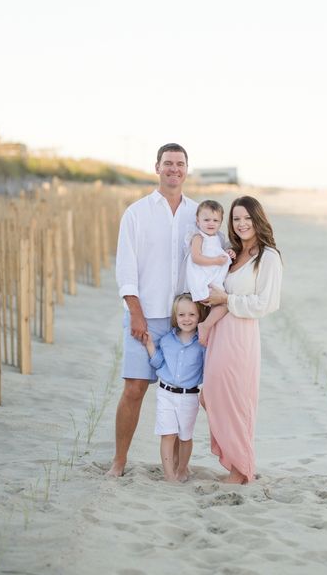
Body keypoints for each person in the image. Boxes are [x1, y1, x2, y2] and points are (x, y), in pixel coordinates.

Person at [107, 143, 198, 477]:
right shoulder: (137, 213)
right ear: (157, 167)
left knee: (180, 394)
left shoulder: (197, 213)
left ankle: (173, 466)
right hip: (146, 316)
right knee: (134, 389)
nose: (174, 169)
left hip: (186, 322)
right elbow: (126, 268)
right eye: (168, 163)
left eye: (180, 164)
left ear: (187, 169)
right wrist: (135, 311)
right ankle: (119, 461)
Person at [200, 196, 283, 484]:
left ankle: (241, 468)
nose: (242, 223)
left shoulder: (268, 257)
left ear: (257, 219)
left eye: (247, 218)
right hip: (219, 332)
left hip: (241, 335)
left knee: (236, 399)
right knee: (211, 394)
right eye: (236, 219)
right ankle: (234, 461)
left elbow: (267, 303)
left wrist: (227, 299)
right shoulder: (232, 253)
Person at [143, 293, 206, 482]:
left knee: (185, 437)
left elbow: (207, 369)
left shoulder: (202, 343)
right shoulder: (167, 340)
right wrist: (149, 345)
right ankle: (169, 475)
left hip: (189, 396)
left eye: (192, 315)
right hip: (165, 393)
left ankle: (182, 469)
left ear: (199, 316)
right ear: (175, 317)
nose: (186, 319)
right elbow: (159, 363)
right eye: (181, 315)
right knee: (167, 434)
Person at [184, 199, 233, 345]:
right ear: (198, 221)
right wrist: (216, 261)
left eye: (215, 220)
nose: (211, 223)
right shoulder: (198, 237)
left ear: (220, 222)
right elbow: (196, 257)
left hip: (212, 276)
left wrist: (228, 253)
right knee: (224, 304)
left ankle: (208, 329)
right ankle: (204, 327)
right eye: (206, 220)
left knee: (222, 303)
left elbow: (218, 253)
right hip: (201, 279)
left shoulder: (218, 238)